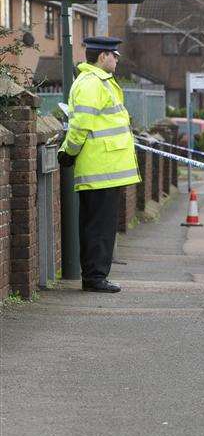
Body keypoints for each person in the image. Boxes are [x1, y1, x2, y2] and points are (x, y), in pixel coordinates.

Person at [58, 36, 141, 293]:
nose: (117, 59)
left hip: (105, 168)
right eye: (114, 55)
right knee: (98, 227)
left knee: (100, 226)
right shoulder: (92, 84)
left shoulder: (99, 82)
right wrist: (68, 152)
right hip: (100, 168)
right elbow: (81, 124)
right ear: (102, 56)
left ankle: (96, 276)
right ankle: (94, 278)